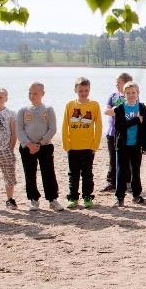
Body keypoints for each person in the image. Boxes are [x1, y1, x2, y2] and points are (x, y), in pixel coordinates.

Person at [16, 83, 62, 211]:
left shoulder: (48, 109)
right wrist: (29, 144)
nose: (32, 95)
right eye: (30, 93)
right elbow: (19, 130)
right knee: (29, 174)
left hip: (45, 146)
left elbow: (52, 128)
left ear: (42, 94)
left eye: (35, 93)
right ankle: (33, 199)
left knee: (48, 173)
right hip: (27, 148)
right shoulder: (23, 110)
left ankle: (52, 199)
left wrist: (41, 143)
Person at [62, 77, 102, 209]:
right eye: (80, 90)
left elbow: (99, 126)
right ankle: (73, 197)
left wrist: (95, 145)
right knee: (73, 174)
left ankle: (87, 196)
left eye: (86, 90)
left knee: (87, 174)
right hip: (73, 147)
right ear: (75, 90)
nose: (83, 93)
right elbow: (64, 125)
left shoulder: (94, 105)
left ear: (89, 90)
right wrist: (66, 144)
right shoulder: (70, 105)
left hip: (88, 147)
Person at [113, 81, 146, 207]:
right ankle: (119, 197)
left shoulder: (143, 108)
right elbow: (119, 127)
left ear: (138, 93)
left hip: (136, 145)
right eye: (128, 93)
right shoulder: (119, 109)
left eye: (133, 92)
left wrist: (145, 146)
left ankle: (136, 195)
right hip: (123, 145)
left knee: (136, 171)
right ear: (123, 94)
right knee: (121, 172)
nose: (131, 95)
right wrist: (135, 120)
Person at [101, 72, 133, 193]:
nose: (116, 84)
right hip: (112, 132)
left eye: (119, 82)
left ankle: (127, 181)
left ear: (126, 83)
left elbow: (132, 110)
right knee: (112, 157)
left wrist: (116, 110)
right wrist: (118, 110)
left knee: (127, 158)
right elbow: (106, 111)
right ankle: (111, 181)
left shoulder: (132, 95)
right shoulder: (113, 95)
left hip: (127, 133)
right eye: (116, 82)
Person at [0, 88, 18, 209]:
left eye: (0, 97)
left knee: (9, 174)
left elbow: (13, 133)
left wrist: (10, 149)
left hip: (5, 149)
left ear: (6, 98)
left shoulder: (10, 113)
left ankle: (10, 200)